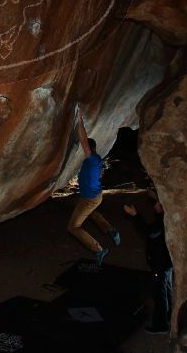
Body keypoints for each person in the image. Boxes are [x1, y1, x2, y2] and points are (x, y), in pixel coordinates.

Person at [66, 109, 120, 267]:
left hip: (90, 198)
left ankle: (98, 249)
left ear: (90, 150)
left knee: (73, 227)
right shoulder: (96, 159)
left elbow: (83, 141)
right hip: (93, 197)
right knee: (92, 213)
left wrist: (80, 120)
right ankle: (111, 231)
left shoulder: (92, 160)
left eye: (86, 149)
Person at [124, 195, 173, 334]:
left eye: (157, 203)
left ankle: (161, 325)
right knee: (167, 290)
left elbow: (149, 232)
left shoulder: (162, 221)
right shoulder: (164, 218)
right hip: (166, 262)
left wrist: (135, 215)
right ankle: (168, 316)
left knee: (159, 294)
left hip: (160, 263)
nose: (155, 205)